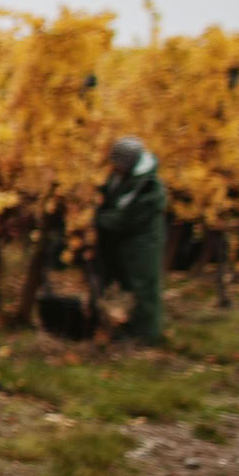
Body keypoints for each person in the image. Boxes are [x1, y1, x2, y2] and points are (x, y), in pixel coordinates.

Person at [95, 136, 168, 345]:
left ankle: (147, 336)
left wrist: (98, 218)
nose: (115, 167)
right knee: (128, 285)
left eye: (119, 164)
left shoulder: (149, 187)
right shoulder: (121, 177)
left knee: (144, 287)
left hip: (144, 245)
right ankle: (131, 327)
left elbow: (127, 218)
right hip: (127, 243)